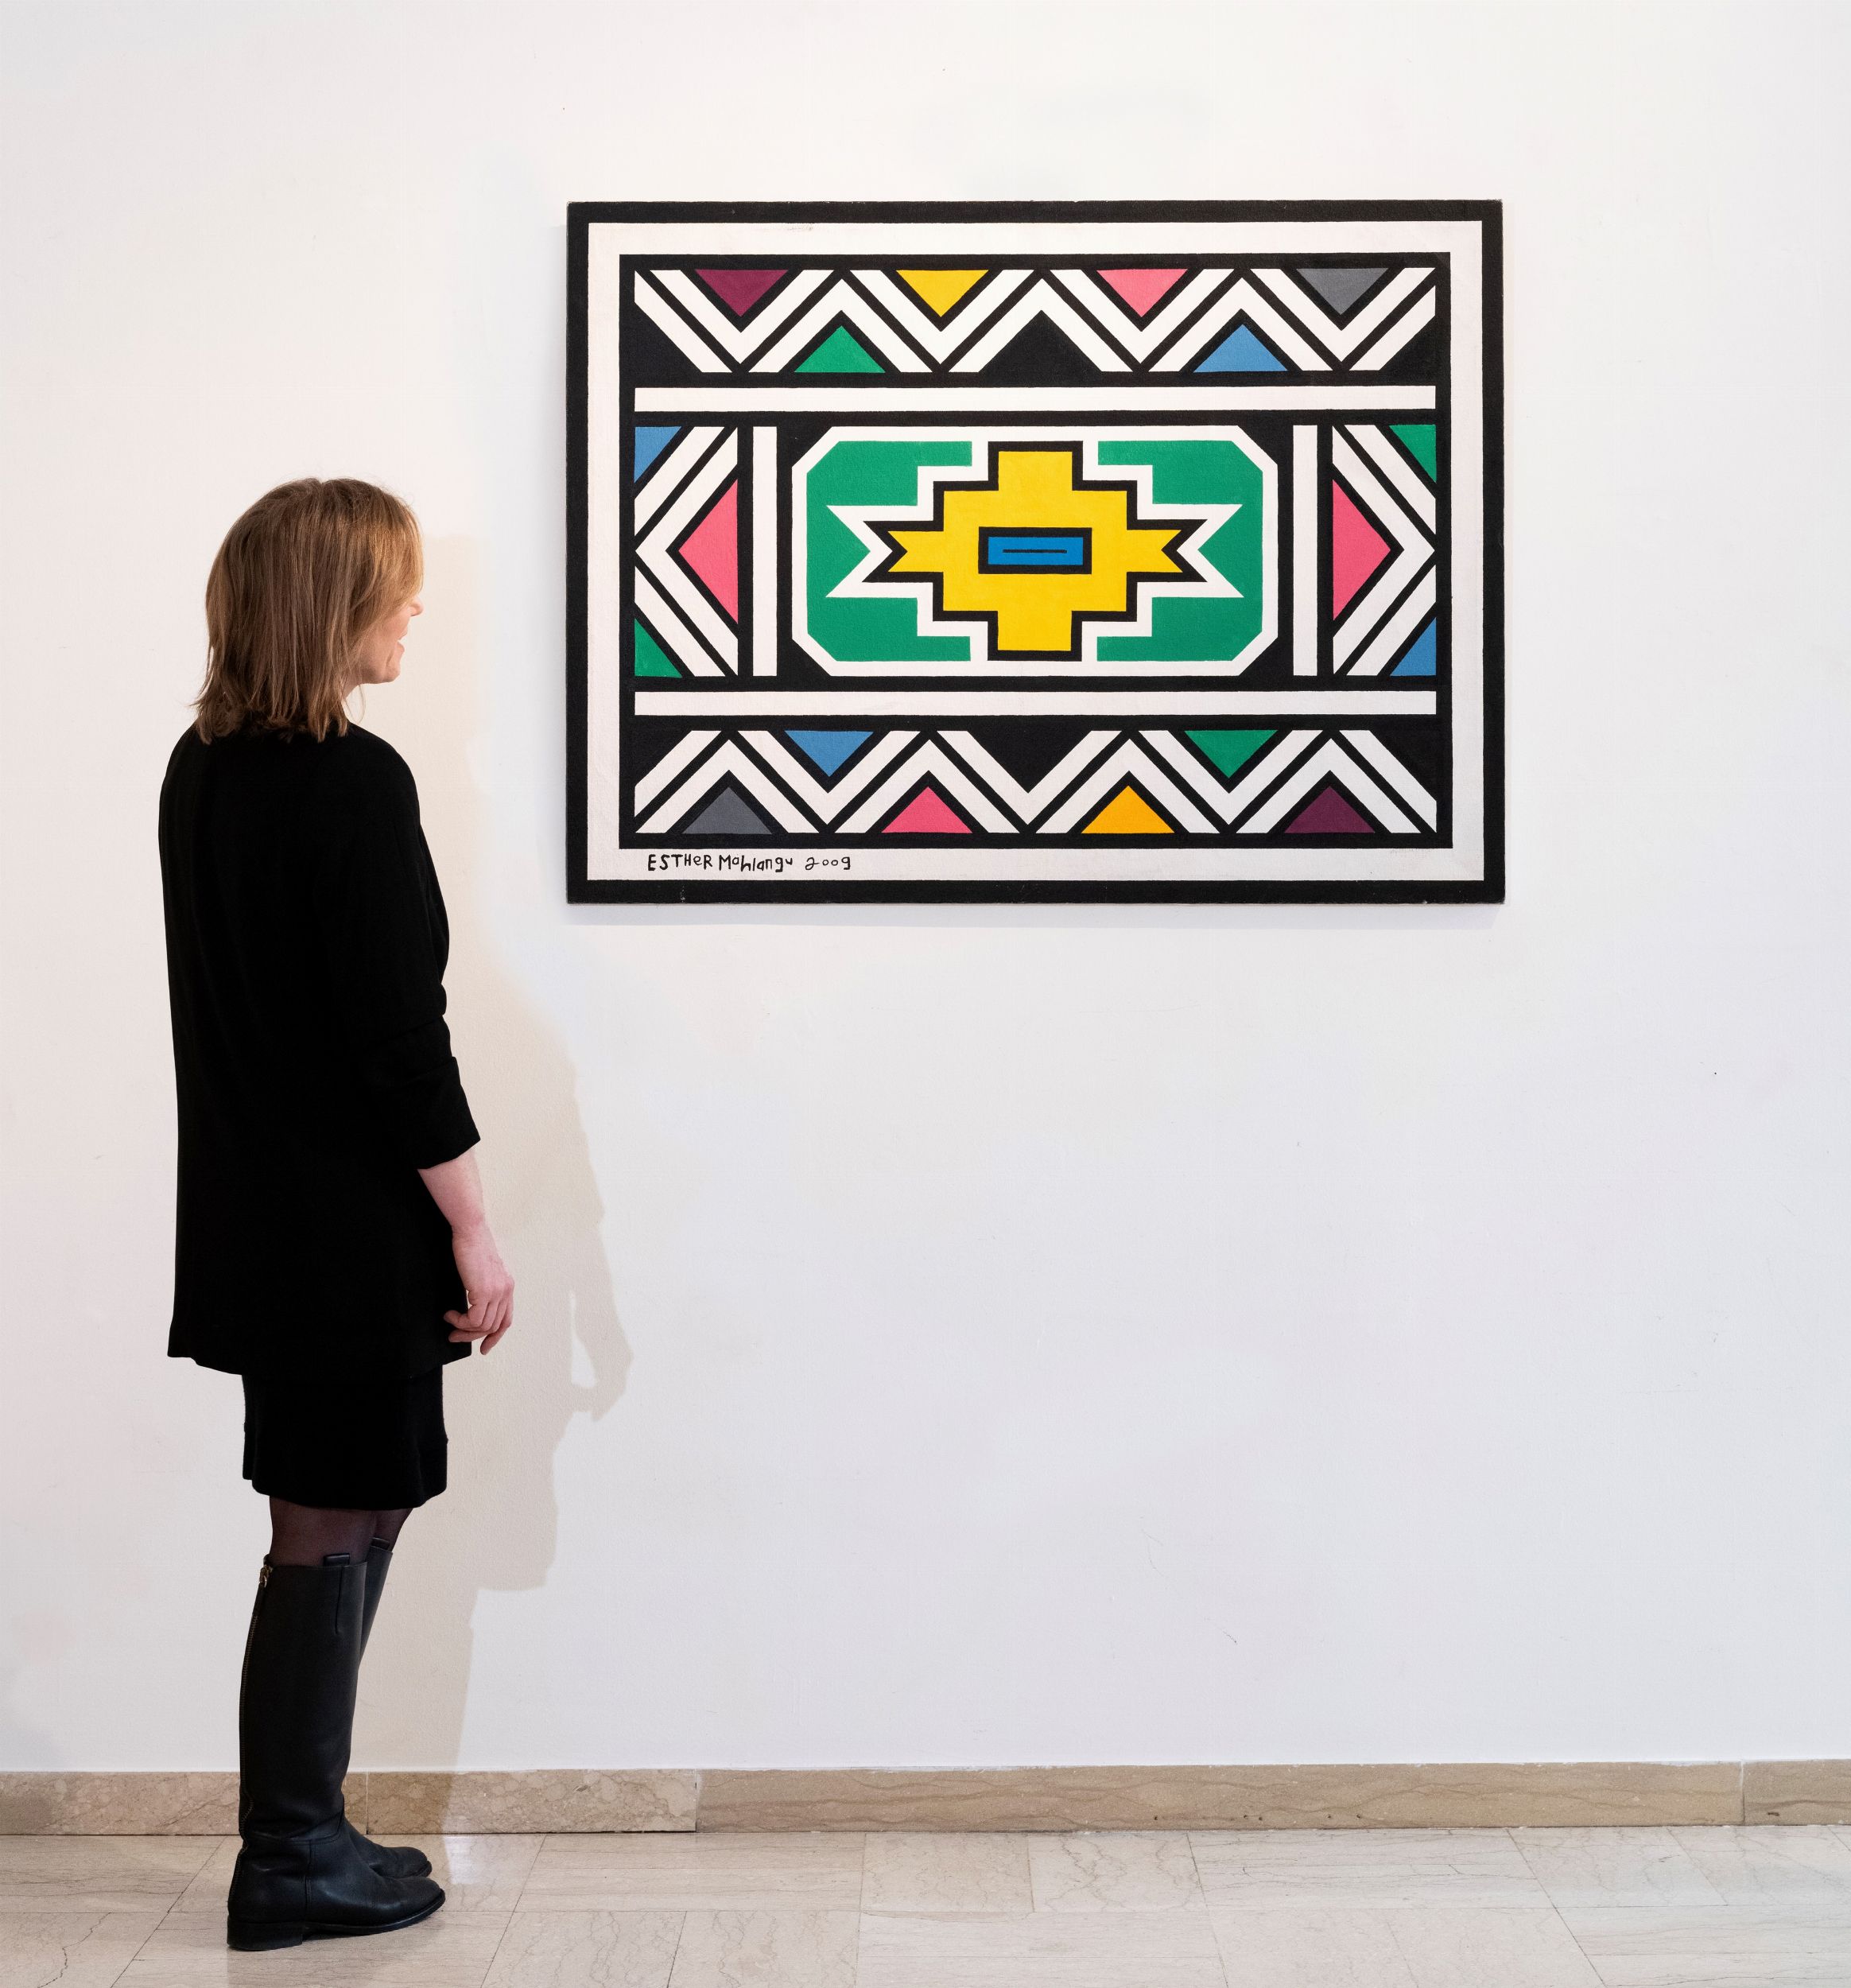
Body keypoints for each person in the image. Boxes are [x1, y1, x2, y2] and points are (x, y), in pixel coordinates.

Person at [157, 479, 514, 1951]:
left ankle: (307, 1835)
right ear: (329, 604)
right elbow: (397, 1037)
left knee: (344, 1504)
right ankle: (291, 1851)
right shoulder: (350, 782)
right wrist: (473, 1227)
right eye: (395, 585)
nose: (416, 608)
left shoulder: (202, 771)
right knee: (331, 1516)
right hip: (348, 1225)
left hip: (261, 1215)